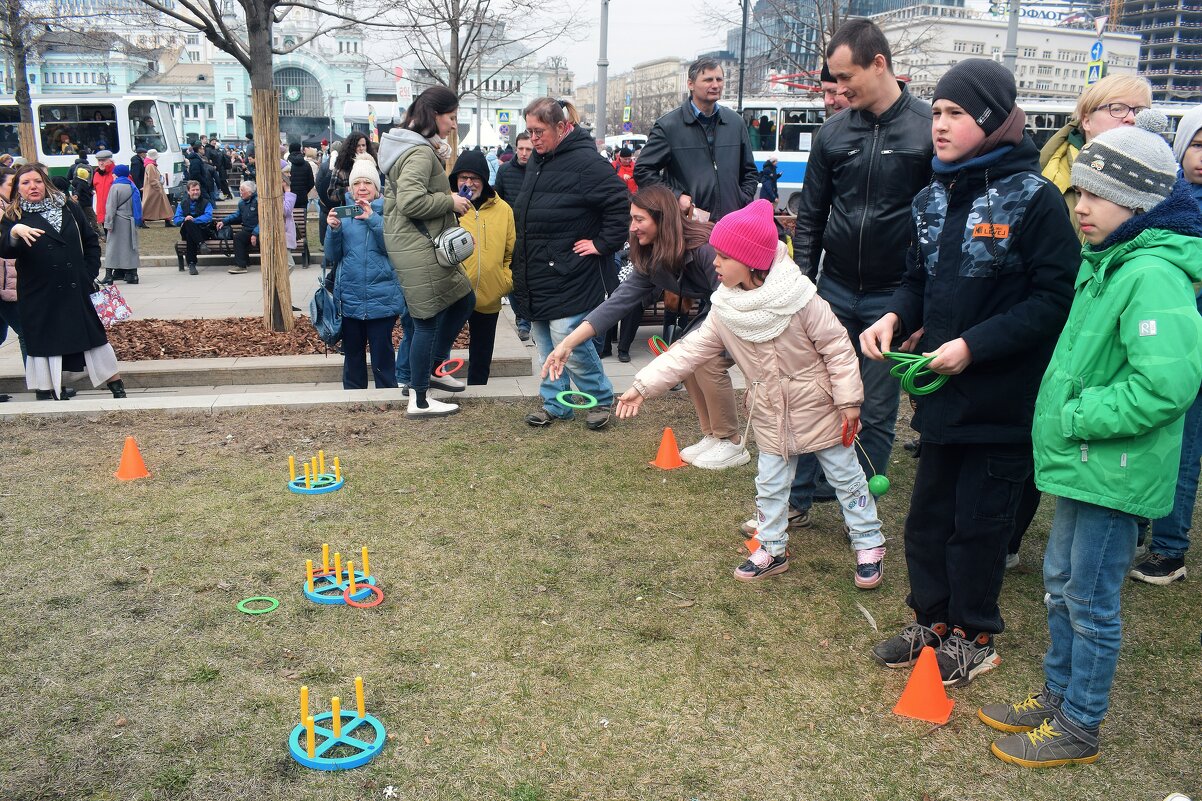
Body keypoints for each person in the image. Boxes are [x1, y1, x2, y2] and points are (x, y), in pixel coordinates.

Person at [979, 110, 1202, 768]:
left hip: (1114, 468)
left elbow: (1166, 385)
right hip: (1084, 464)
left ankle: (1080, 721)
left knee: (1091, 597)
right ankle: (1057, 693)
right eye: (1079, 189)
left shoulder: (1151, 274)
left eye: (1098, 194)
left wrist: (1076, 415)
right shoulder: (1105, 262)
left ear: (1137, 202)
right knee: (1060, 578)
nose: (1081, 205)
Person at [859, 59, 1078, 686]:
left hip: (1002, 401)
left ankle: (974, 633)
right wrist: (893, 320)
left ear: (990, 119)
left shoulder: (1036, 200)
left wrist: (973, 347)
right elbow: (916, 281)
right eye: (936, 114)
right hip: (942, 400)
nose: (941, 126)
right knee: (928, 517)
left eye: (956, 114)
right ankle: (931, 620)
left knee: (979, 525)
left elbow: (1054, 299)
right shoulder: (931, 195)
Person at [614, 199, 888, 584]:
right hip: (769, 410)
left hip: (820, 406)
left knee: (847, 478)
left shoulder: (801, 299)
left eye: (724, 256)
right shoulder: (725, 309)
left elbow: (837, 348)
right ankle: (772, 548)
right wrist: (643, 385)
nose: (715, 263)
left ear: (750, 261)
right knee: (771, 483)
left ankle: (868, 542)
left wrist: (848, 402)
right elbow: (689, 351)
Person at [788, 19, 933, 527]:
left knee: (874, 409)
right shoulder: (833, 133)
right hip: (832, 290)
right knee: (815, 396)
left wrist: (920, 307)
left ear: (879, 63)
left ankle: (859, 508)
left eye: (846, 76)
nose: (839, 88)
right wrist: (803, 288)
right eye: (834, 78)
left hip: (893, 297)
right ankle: (797, 499)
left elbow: (938, 223)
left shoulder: (927, 128)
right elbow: (810, 216)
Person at [541, 184, 751, 468]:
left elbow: (726, 302)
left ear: (662, 219)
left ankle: (731, 442)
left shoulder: (704, 247)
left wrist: (690, 341)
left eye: (640, 219)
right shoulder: (652, 255)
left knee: (705, 360)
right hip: (719, 308)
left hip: (745, 307)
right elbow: (617, 303)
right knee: (683, 357)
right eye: (632, 218)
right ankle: (712, 435)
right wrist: (567, 343)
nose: (633, 227)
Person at [510, 97, 630, 430]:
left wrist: (602, 244)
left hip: (570, 272)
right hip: (537, 272)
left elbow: (620, 203)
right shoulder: (538, 159)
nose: (533, 139)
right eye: (529, 131)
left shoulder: (586, 162)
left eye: (539, 131)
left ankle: (600, 398)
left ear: (561, 127)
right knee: (545, 342)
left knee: (571, 343)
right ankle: (556, 403)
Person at [1126, 104, 1202, 586]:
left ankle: (1170, 549)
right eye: (1197, 143)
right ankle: (1138, 527)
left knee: (1183, 450)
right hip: (1169, 346)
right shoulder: (1169, 200)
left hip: (1188, 350)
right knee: (1162, 441)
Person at [378, 85, 476, 418]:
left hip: (414, 243)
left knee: (463, 299)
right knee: (426, 323)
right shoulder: (418, 152)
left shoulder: (412, 146)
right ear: (435, 115)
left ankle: (433, 369)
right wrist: (450, 200)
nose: (452, 125)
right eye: (451, 118)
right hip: (417, 245)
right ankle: (419, 398)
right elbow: (410, 201)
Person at [0, 163, 126, 400]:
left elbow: (89, 241)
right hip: (39, 292)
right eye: (25, 183)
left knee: (95, 339)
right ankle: (48, 391)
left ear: (45, 183)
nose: (32, 187)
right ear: (18, 188)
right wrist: (14, 232)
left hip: (75, 286)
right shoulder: (14, 216)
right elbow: (6, 250)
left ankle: (117, 387)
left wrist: (88, 272)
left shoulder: (67, 206)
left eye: (37, 181)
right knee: (45, 343)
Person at [634, 57, 758, 222]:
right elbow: (643, 171)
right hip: (689, 226)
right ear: (690, 84)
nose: (715, 85)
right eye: (708, 80)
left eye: (719, 79)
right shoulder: (668, 126)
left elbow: (749, 171)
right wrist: (676, 197)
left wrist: (742, 199)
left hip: (731, 225)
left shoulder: (735, 122)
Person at [325, 154, 405, 390]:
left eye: (368, 183)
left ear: (376, 188)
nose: (362, 188)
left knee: (383, 356)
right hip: (350, 300)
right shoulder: (343, 214)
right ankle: (353, 399)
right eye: (357, 183)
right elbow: (332, 255)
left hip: (382, 299)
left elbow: (391, 247)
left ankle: (386, 396)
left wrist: (372, 218)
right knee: (353, 356)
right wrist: (333, 230)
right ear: (350, 187)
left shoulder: (389, 212)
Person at [449, 149, 514, 385]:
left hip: (489, 292)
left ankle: (479, 388)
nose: (468, 183)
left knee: (482, 349)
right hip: (453, 292)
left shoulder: (503, 210)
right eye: (462, 178)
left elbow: (511, 252)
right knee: (442, 344)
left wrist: (505, 280)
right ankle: (437, 383)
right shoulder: (447, 207)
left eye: (474, 178)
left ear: (484, 181)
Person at [495, 131, 534, 341]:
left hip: (534, 234)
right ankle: (522, 319)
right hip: (510, 234)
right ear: (515, 148)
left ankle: (530, 316)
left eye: (529, 149)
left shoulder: (539, 170)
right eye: (521, 148)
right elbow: (497, 200)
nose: (524, 153)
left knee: (531, 279)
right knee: (513, 279)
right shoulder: (505, 172)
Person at [100, 164, 143, 285]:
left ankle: (109, 275)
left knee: (112, 248)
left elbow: (111, 207)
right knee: (130, 247)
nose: (112, 174)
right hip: (130, 221)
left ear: (117, 174)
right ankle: (133, 275)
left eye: (114, 173)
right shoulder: (132, 185)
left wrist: (108, 223)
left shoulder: (115, 187)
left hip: (118, 221)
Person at [0, 167, 24, 363]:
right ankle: (41, 387)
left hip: (7, 285)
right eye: (11, 184)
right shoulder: (4, 213)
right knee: (26, 332)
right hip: (4, 287)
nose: (15, 188)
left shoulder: (10, 208)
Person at [216, 181, 259, 275]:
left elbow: (264, 221)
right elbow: (237, 216)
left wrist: (255, 233)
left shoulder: (258, 201)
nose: (240, 192)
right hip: (248, 230)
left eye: (242, 190)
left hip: (261, 231)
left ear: (250, 192)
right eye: (240, 190)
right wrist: (224, 221)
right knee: (238, 237)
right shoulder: (242, 203)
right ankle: (241, 266)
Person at [173, 180, 214, 276]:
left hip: (203, 230)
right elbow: (176, 219)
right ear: (188, 191)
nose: (196, 192)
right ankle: (201, 244)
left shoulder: (206, 202)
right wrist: (185, 219)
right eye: (193, 190)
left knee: (190, 235)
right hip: (188, 230)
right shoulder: (182, 204)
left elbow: (208, 216)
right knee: (187, 223)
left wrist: (194, 220)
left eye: (197, 190)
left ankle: (191, 264)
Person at [327, 132, 376, 211]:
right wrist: (349, 190)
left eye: (363, 145)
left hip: (372, 210)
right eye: (358, 145)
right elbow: (331, 194)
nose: (361, 148)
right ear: (351, 147)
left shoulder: (372, 164)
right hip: (351, 211)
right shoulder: (341, 168)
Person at [140, 149, 173, 225]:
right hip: (154, 190)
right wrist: (158, 187)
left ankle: (167, 220)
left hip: (153, 189)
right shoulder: (151, 166)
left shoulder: (150, 165)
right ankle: (141, 220)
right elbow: (152, 179)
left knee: (160, 206)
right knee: (148, 206)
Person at [71, 148, 99, 237]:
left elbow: (69, 178)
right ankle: (95, 230)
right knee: (91, 216)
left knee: (82, 215)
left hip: (78, 198)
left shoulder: (73, 167)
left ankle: (83, 230)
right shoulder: (90, 168)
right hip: (86, 198)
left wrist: (75, 193)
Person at [91, 150, 116, 238]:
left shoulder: (115, 173)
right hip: (102, 210)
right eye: (99, 161)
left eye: (104, 160)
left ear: (110, 160)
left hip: (114, 211)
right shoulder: (96, 174)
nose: (101, 163)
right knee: (108, 236)